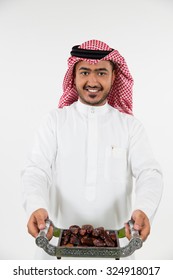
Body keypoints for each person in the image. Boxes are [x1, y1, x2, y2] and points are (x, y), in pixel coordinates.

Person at [22, 39, 163, 259]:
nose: (93, 81)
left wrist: (144, 209)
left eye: (102, 73)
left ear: (114, 76)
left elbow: (149, 173)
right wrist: (36, 206)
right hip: (58, 251)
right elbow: (36, 170)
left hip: (119, 253)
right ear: (74, 76)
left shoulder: (130, 126)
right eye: (85, 72)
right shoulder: (55, 121)